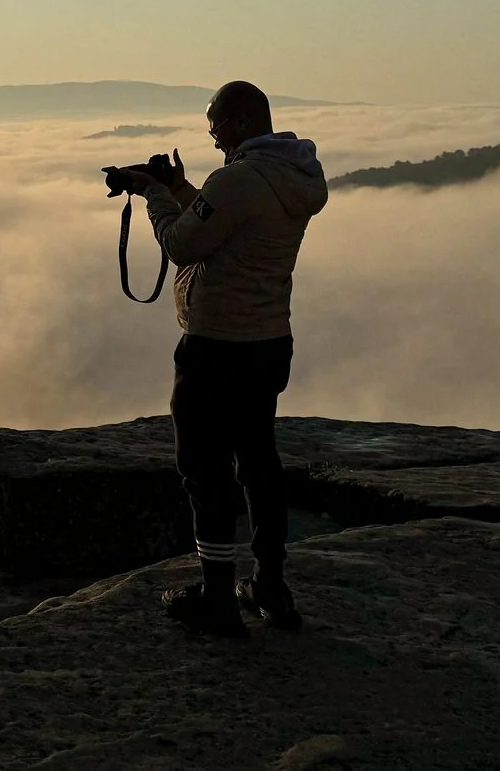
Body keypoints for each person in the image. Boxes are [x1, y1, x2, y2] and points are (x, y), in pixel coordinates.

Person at [104, 80, 327, 638]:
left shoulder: (238, 179)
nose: (211, 133)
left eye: (217, 123)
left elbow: (183, 243)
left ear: (243, 119)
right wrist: (181, 187)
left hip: (216, 347)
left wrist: (155, 194)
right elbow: (225, 224)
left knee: (205, 471)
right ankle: (271, 586)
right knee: (259, 465)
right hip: (269, 341)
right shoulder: (292, 177)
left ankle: (218, 599)